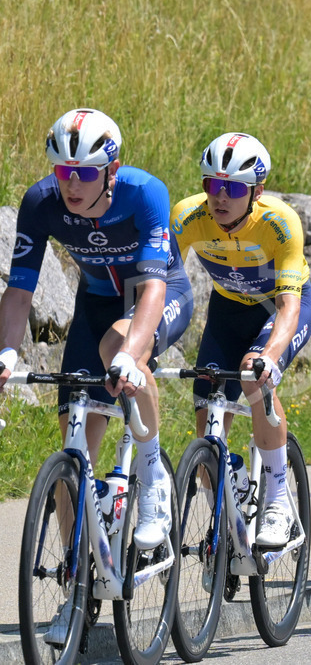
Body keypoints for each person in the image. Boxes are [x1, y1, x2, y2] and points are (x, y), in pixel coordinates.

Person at [0, 108, 193, 641]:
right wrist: (6, 354)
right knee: (73, 445)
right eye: (63, 172)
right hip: (96, 299)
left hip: (157, 294)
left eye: (84, 173)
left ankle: (152, 477)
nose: (72, 185)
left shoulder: (145, 193)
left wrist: (133, 352)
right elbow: (19, 291)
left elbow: (153, 290)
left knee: (121, 353)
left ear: (113, 170)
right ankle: (78, 587)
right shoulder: (40, 203)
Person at [171, 132, 311, 547]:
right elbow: (160, 285)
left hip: (281, 307)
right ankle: (231, 488)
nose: (220, 197)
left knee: (255, 379)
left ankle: (276, 505)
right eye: (212, 185)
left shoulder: (279, 221)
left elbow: (289, 307)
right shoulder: (186, 217)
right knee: (206, 432)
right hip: (228, 309)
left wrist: (269, 356)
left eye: (233, 189)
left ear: (256, 191)